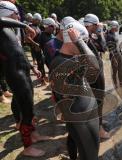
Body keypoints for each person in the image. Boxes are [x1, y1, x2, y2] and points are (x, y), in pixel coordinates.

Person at [0, 1, 49, 157]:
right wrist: (25, 25)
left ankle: (34, 135)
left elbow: (19, 51)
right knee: (26, 111)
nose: (18, 16)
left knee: (30, 108)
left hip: (24, 72)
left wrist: (33, 68)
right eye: (16, 13)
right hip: (15, 75)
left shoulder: (10, 30)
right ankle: (27, 147)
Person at [50, 21, 100, 160]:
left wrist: (80, 42)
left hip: (88, 111)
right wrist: (79, 41)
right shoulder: (59, 63)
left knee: (92, 153)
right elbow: (96, 67)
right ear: (71, 41)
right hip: (80, 119)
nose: (85, 46)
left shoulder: (74, 57)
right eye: (83, 42)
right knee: (89, 156)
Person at [84, 13, 109, 139]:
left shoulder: (87, 37)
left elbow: (102, 49)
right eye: (97, 25)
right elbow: (104, 48)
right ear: (93, 25)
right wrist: (100, 33)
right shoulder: (86, 38)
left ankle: (98, 121)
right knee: (98, 99)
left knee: (97, 99)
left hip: (92, 73)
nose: (99, 27)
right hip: (94, 74)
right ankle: (98, 128)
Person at [28, 13, 47, 85]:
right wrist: (35, 44)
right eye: (38, 20)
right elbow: (28, 38)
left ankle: (43, 77)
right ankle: (42, 79)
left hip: (39, 48)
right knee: (40, 63)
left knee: (41, 63)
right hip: (36, 48)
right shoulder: (31, 27)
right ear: (35, 20)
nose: (39, 22)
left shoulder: (37, 27)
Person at [106, 20, 122, 88]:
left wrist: (121, 52)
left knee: (120, 70)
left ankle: (121, 84)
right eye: (117, 26)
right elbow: (110, 48)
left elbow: (117, 45)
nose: (118, 28)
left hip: (119, 53)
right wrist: (114, 59)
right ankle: (116, 85)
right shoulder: (109, 35)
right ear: (114, 27)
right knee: (115, 71)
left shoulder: (114, 34)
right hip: (114, 55)